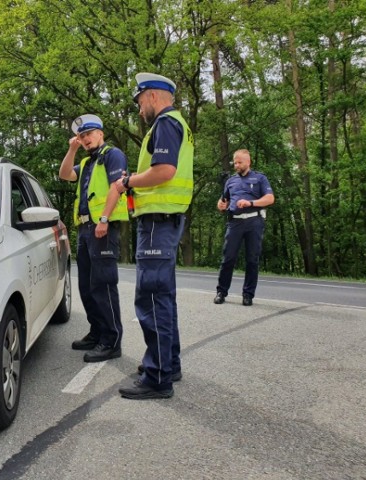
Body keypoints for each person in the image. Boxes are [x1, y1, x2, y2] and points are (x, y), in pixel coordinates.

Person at [112, 73, 194, 399]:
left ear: (153, 96)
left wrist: (129, 181)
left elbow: (164, 171)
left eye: (140, 99)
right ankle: (168, 364)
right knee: (164, 296)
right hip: (166, 221)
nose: (139, 106)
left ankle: (157, 376)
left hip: (157, 225)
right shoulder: (178, 125)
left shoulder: (165, 124)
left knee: (151, 297)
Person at [58, 114, 129, 362]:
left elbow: (116, 186)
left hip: (103, 228)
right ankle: (97, 332)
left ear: (100, 133)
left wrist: (104, 219)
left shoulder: (112, 155)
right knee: (87, 287)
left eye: (89, 134)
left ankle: (111, 341)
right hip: (86, 230)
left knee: (103, 285)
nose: (85, 139)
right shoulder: (87, 162)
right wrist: (72, 149)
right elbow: (64, 174)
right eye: (82, 136)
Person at [213, 149, 275, 306]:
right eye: (235, 162)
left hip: (254, 222)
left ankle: (248, 295)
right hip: (235, 223)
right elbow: (223, 202)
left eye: (240, 162)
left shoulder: (260, 178)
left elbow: (270, 198)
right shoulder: (230, 181)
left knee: (252, 259)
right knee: (228, 258)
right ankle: (221, 292)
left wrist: (251, 203)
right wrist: (220, 205)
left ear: (248, 162)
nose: (237, 165)